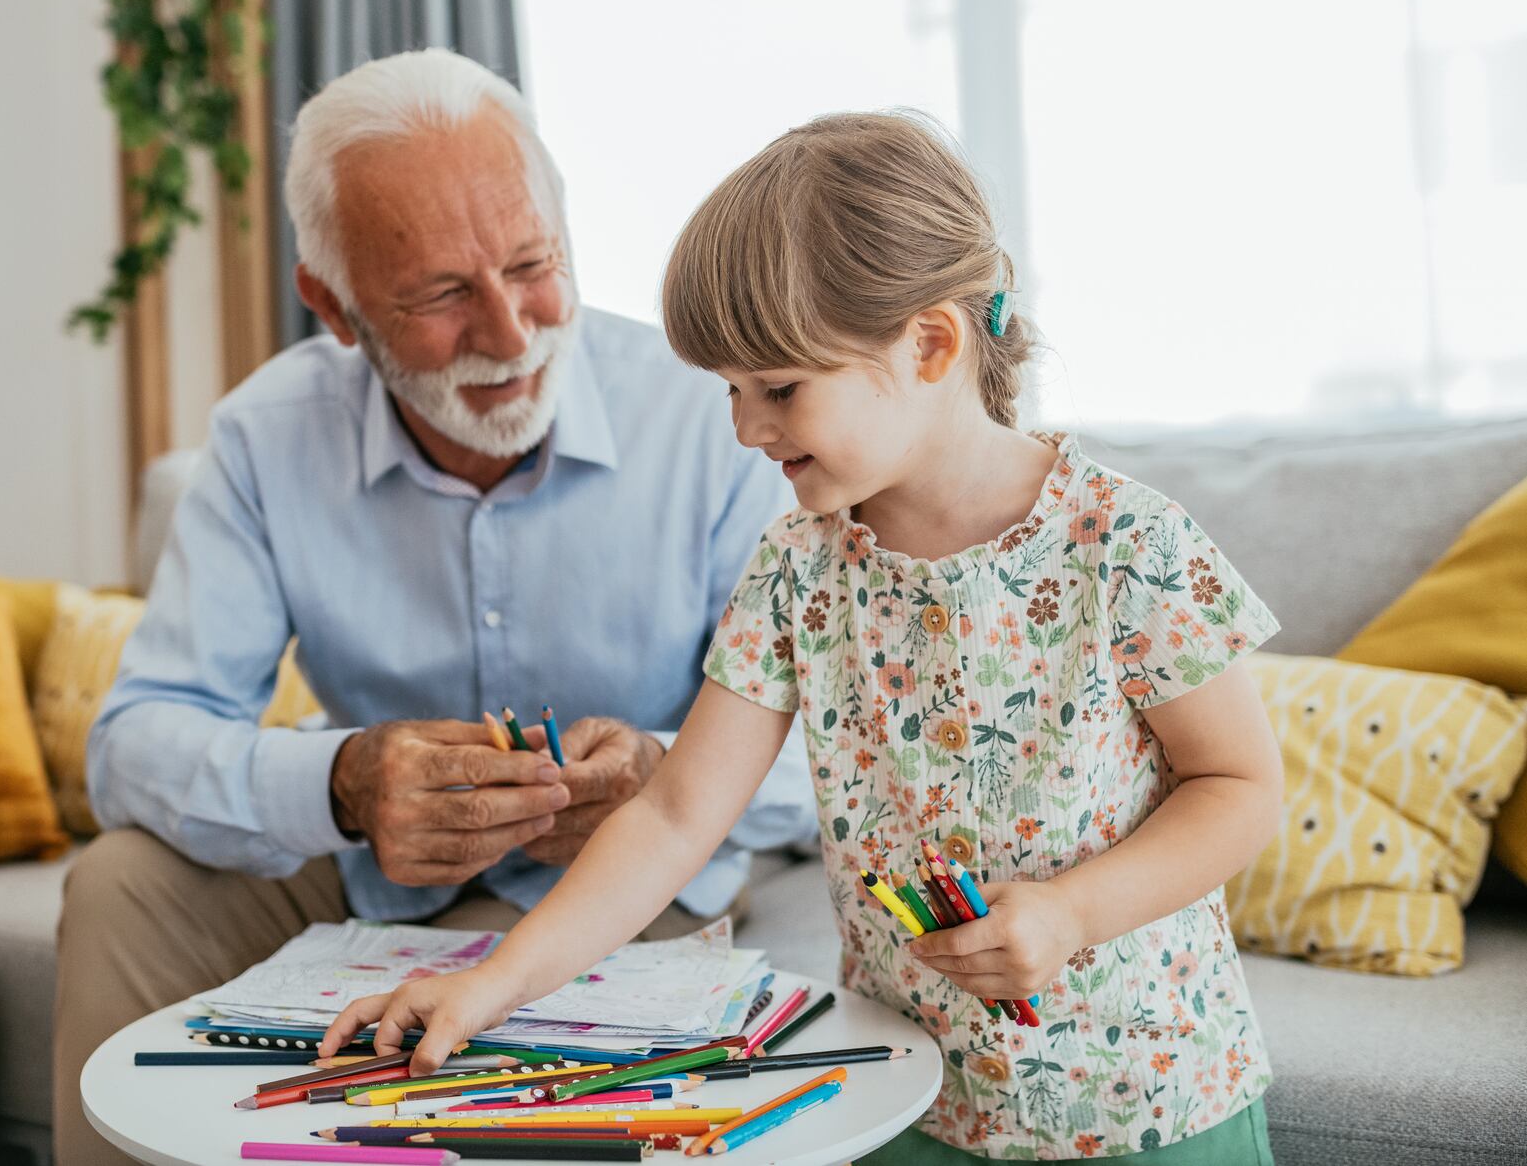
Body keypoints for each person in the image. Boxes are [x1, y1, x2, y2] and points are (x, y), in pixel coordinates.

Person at [319, 111, 1286, 1164]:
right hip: (909, 1099)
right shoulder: (798, 569)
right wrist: (491, 980)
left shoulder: (1124, 544)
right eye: (730, 391)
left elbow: (1240, 787)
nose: (744, 428)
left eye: (777, 389)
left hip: (1149, 1101)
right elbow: (676, 811)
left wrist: (1069, 912)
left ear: (929, 343)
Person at [52, 49, 817, 1164]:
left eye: (530, 264)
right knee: (121, 883)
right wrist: (345, 784)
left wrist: (665, 779)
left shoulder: (714, 419)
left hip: (633, 879)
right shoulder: (267, 437)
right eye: (444, 296)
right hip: (369, 872)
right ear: (336, 305)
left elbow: (834, 740)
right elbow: (134, 744)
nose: (511, 334)